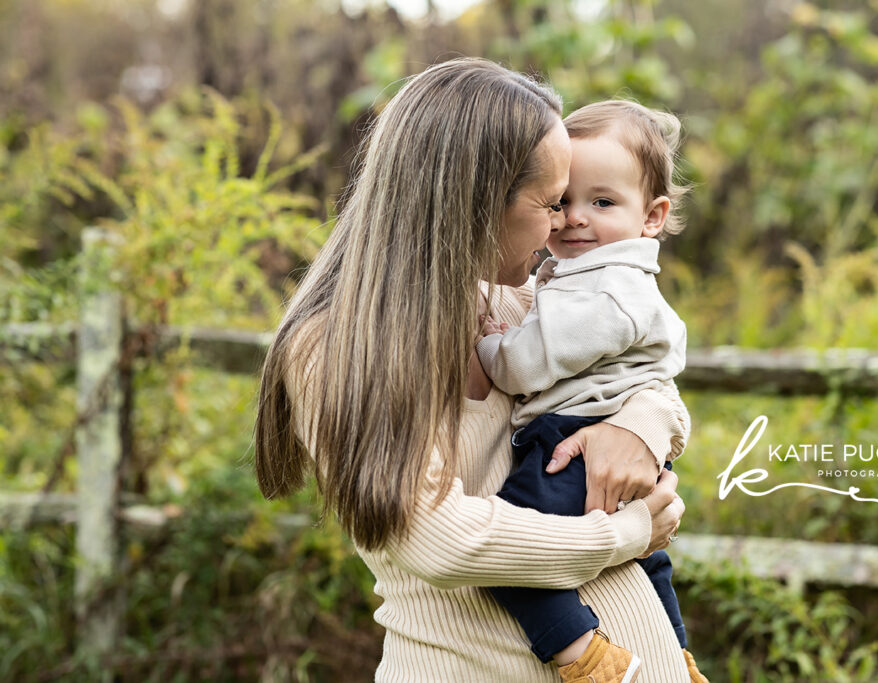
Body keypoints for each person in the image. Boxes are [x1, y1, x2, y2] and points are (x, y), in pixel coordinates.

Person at [254, 58, 692, 682]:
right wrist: (626, 534)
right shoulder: (335, 349)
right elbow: (440, 538)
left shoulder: (515, 306)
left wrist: (639, 428)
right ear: (477, 201)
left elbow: (652, 376)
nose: (559, 228)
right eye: (550, 203)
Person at [476, 100, 706, 683]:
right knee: (650, 560)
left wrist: (491, 347)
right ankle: (678, 657)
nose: (573, 218)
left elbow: (527, 365)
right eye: (560, 201)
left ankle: (584, 655)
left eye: (601, 202)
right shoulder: (584, 278)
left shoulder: (607, 289)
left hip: (571, 440)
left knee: (508, 555)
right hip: (589, 435)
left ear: (652, 216)